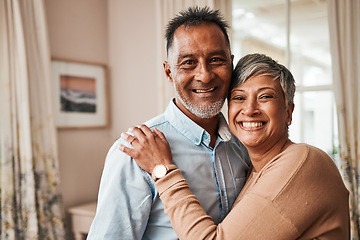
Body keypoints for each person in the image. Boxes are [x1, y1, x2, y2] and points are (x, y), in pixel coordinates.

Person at [120, 53, 350, 239]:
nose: (249, 109)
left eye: (265, 96)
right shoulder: (251, 166)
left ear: (288, 112)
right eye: (239, 98)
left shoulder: (303, 161)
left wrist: (163, 169)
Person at [87, 6, 250, 240]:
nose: (204, 75)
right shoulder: (135, 152)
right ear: (169, 72)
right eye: (188, 63)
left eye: (216, 60)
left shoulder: (242, 146)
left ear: (231, 65)